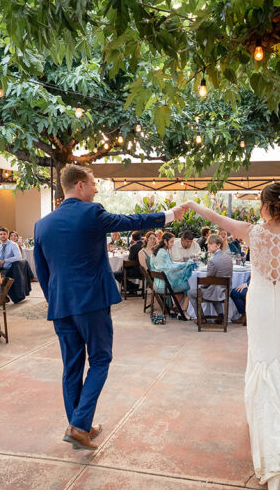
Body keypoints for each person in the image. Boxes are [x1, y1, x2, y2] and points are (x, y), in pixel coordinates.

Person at [183, 182, 280, 490]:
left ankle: (270, 439)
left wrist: (191, 205)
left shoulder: (251, 231)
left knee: (263, 361)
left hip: (259, 303)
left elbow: (215, 217)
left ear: (265, 205)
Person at [34, 165, 183, 450]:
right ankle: (79, 425)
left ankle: (80, 424)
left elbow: (42, 274)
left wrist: (55, 302)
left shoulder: (42, 225)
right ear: (79, 186)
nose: (96, 188)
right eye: (93, 183)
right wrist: (169, 215)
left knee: (72, 366)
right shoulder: (91, 213)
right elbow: (130, 220)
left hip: (61, 305)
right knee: (101, 359)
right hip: (91, 302)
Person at [151, 232, 197, 315]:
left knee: (182, 283)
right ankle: (183, 311)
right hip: (162, 285)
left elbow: (168, 266)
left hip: (157, 283)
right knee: (188, 286)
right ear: (165, 241)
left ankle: (174, 308)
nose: (173, 244)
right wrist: (185, 264)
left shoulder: (159, 250)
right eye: (171, 242)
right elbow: (168, 269)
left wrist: (181, 266)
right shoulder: (162, 252)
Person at [200, 233, 233, 315]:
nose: (208, 246)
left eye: (211, 244)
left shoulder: (212, 261)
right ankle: (221, 315)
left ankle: (201, 318)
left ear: (218, 246)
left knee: (191, 293)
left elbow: (208, 280)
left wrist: (202, 287)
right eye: (208, 244)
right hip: (227, 290)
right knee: (214, 286)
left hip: (217, 292)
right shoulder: (229, 258)